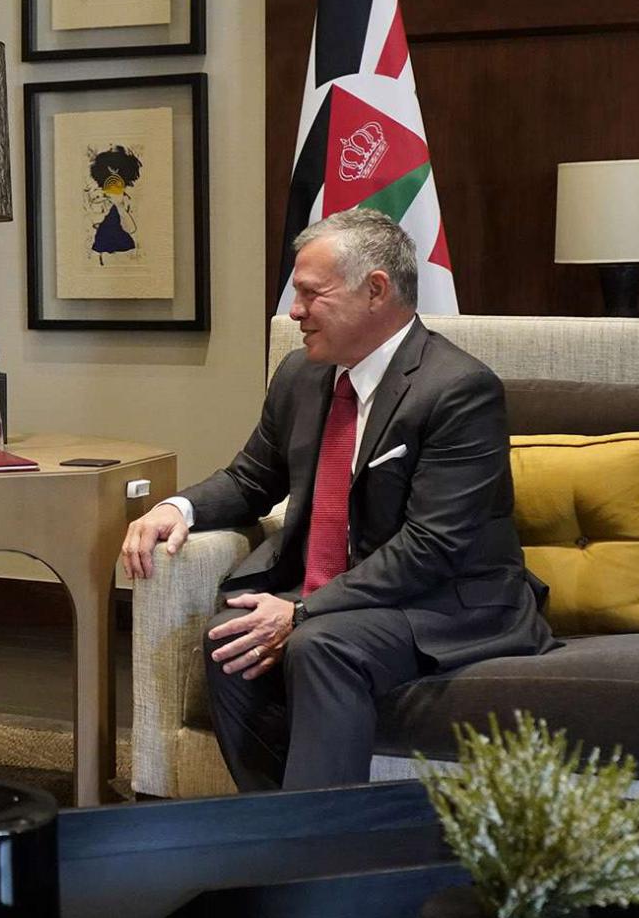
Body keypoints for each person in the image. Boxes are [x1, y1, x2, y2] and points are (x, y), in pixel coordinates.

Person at [119, 206, 550, 792]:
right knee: (230, 641)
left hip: (443, 601)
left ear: (376, 291)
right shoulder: (301, 374)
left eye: (310, 294)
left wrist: (299, 611)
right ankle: (282, 829)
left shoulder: (458, 390)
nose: (293, 311)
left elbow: (433, 546)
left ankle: (318, 861)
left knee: (321, 646)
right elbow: (251, 479)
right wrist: (177, 509)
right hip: (346, 592)